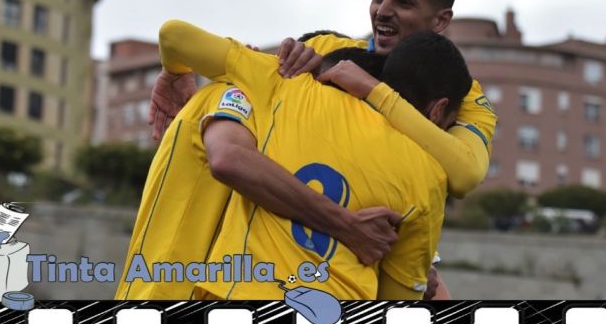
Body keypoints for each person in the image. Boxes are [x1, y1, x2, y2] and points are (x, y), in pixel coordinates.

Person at [148, 0, 498, 298]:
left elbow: (465, 172)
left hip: (370, 257)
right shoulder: (327, 48)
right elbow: (251, 86)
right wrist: (179, 74)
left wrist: (372, 91)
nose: (383, 10)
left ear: (441, 19)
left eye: (404, 2)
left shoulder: (464, 94)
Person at [157, 19, 472, 299]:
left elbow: (174, 35)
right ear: (438, 111)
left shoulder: (282, 85)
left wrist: (173, 75)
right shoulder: (430, 177)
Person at [115, 61, 400, 300]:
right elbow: (228, 159)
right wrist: (346, 225)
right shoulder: (237, 93)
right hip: (168, 290)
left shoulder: (284, 133)